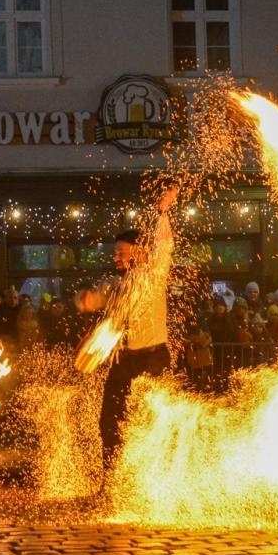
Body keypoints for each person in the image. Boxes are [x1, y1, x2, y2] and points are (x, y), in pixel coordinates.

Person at [76, 185, 178, 471]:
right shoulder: (113, 284)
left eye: (121, 252)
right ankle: (112, 478)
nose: (116, 257)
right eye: (115, 253)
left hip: (153, 358)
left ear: (140, 252)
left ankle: (156, 475)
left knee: (151, 420)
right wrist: (85, 300)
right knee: (110, 420)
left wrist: (163, 212)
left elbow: (164, 245)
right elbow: (94, 299)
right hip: (123, 360)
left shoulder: (153, 274)